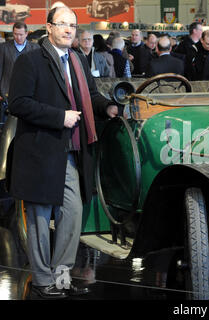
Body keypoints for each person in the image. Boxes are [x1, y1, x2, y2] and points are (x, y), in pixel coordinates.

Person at [8, 6, 118, 299]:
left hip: (72, 151)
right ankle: (43, 280)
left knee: (73, 212)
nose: (69, 30)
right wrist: (59, 116)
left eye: (73, 24)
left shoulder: (79, 59)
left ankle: (61, 276)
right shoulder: (30, 60)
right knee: (40, 219)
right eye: (63, 24)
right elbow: (17, 103)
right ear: (48, 27)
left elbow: (90, 95)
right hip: (40, 152)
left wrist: (106, 106)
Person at [0, 22, 39, 100]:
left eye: (21, 35)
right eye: (15, 34)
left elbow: (39, 71)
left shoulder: (35, 48)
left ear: (26, 34)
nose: (18, 37)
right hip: (7, 92)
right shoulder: (3, 48)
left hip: (30, 91)